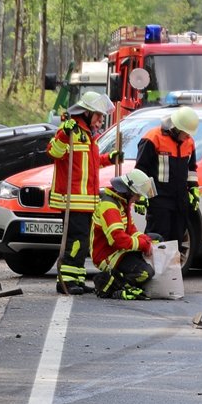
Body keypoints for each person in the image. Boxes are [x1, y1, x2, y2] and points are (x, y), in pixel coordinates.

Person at [48, 90, 116, 295]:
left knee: (83, 242)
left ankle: (76, 278)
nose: (100, 121)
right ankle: (66, 282)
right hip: (73, 200)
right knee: (76, 241)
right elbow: (53, 152)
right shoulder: (70, 130)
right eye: (98, 116)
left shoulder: (87, 135)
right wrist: (63, 133)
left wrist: (110, 158)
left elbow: (90, 164)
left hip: (86, 200)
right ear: (86, 113)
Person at [134, 105, 200, 244]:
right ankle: (152, 266)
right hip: (158, 200)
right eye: (186, 133)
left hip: (180, 201)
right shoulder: (153, 138)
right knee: (157, 239)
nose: (188, 136)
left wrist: (194, 188)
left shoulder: (189, 142)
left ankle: (172, 266)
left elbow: (191, 169)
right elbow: (141, 169)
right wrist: (141, 195)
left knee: (176, 240)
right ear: (176, 128)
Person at [91, 170, 157, 299]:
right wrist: (144, 245)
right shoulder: (109, 206)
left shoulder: (122, 204)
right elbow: (118, 239)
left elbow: (132, 231)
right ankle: (110, 283)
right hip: (108, 255)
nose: (138, 198)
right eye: (137, 194)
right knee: (145, 273)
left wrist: (147, 241)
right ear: (129, 191)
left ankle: (122, 278)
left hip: (119, 251)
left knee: (157, 239)